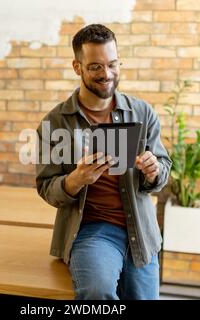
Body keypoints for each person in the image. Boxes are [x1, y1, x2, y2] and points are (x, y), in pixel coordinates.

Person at [36, 24, 171, 300]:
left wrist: (153, 171)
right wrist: (76, 179)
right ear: (77, 67)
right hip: (92, 231)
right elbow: (47, 188)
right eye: (96, 67)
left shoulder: (142, 112)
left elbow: (163, 170)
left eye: (112, 64)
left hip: (141, 231)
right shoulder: (56, 122)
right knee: (97, 294)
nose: (106, 74)